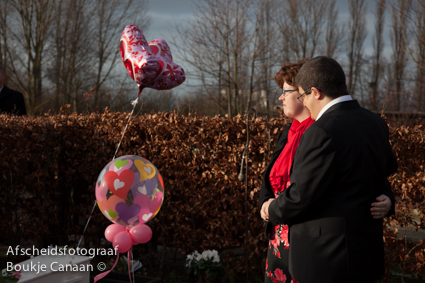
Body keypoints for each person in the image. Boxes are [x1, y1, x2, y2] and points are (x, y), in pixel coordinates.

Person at [262, 56, 397, 283]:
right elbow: (383, 173)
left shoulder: (320, 131)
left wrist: (270, 208)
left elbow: (301, 196)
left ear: (316, 92)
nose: (303, 103)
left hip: (327, 260)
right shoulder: (375, 122)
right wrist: (389, 199)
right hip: (366, 257)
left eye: (303, 95)